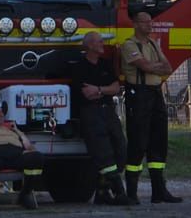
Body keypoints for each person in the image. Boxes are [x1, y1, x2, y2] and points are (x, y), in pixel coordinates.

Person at [121, 11, 181, 204]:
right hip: (138, 94)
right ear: (136, 24)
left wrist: (152, 66)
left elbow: (168, 67)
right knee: (138, 142)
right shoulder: (130, 44)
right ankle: (131, 192)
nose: (150, 25)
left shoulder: (153, 44)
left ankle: (159, 190)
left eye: (151, 22)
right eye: (145, 22)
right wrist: (154, 66)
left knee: (159, 141)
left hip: (155, 93)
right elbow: (145, 66)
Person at [73, 31, 131, 206]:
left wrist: (99, 90)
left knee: (121, 148)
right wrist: (104, 89)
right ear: (89, 45)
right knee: (104, 153)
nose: (102, 44)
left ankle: (102, 191)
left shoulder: (105, 64)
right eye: (99, 42)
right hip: (91, 113)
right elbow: (86, 93)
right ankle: (119, 192)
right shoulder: (79, 67)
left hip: (108, 111)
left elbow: (115, 87)